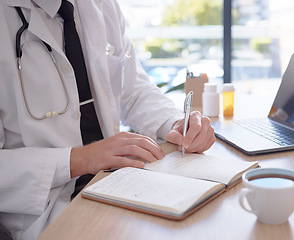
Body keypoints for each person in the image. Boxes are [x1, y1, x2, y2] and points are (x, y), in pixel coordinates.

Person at [0, 0, 216, 239]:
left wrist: (175, 123)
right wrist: (79, 160)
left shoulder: (101, 6)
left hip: (117, 182)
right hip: (47, 210)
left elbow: (134, 92)